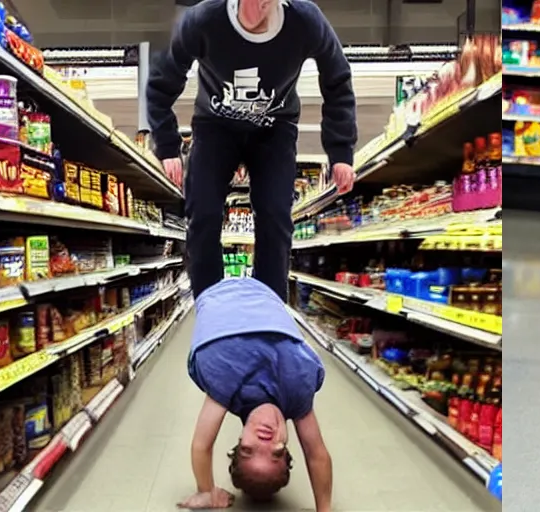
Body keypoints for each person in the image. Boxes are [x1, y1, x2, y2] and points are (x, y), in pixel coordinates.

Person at [148, 0, 357, 302]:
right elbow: (159, 85)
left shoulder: (306, 20)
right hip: (214, 126)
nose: (251, 10)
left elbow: (337, 79)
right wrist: (167, 146)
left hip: (275, 129)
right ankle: (209, 303)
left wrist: (340, 152)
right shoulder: (203, 20)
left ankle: (269, 305)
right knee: (202, 212)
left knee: (274, 215)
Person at [180, 278, 331, 510]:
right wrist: (325, 509)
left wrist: (206, 492)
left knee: (202, 244)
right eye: (277, 453)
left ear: (239, 442)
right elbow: (316, 453)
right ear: (287, 448)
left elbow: (201, 445)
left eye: (249, 450)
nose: (265, 440)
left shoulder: (224, 385)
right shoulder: (298, 390)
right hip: (266, 290)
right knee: (276, 244)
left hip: (213, 290)